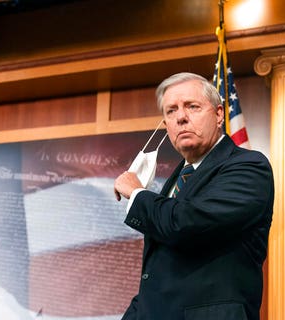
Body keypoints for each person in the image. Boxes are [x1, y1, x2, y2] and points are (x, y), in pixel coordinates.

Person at [114, 72, 274, 320]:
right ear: (165, 125)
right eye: (171, 111)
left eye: (192, 106)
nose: (181, 117)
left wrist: (137, 193)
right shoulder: (177, 179)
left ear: (219, 114)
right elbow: (159, 277)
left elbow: (186, 224)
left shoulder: (249, 166)